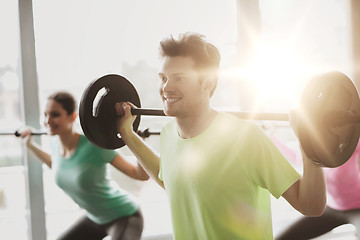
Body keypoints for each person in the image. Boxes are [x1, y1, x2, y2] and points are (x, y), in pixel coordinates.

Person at [115, 32, 326, 239]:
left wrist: (310, 143)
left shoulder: (245, 138)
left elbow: (310, 205)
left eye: (178, 78)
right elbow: (170, 179)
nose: (166, 87)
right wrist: (127, 134)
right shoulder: (169, 134)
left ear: (207, 83)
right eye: (163, 78)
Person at [19, 91, 149, 240]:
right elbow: (58, 165)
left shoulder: (94, 145)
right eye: (45, 114)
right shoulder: (55, 145)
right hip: (95, 217)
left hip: (124, 215)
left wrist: (139, 142)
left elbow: (140, 175)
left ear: (72, 117)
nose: (48, 120)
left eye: (55, 115)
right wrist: (30, 145)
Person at [274, 137, 360, 239]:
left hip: (357, 209)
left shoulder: (350, 147)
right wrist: (272, 136)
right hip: (330, 209)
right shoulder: (313, 154)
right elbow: (296, 157)